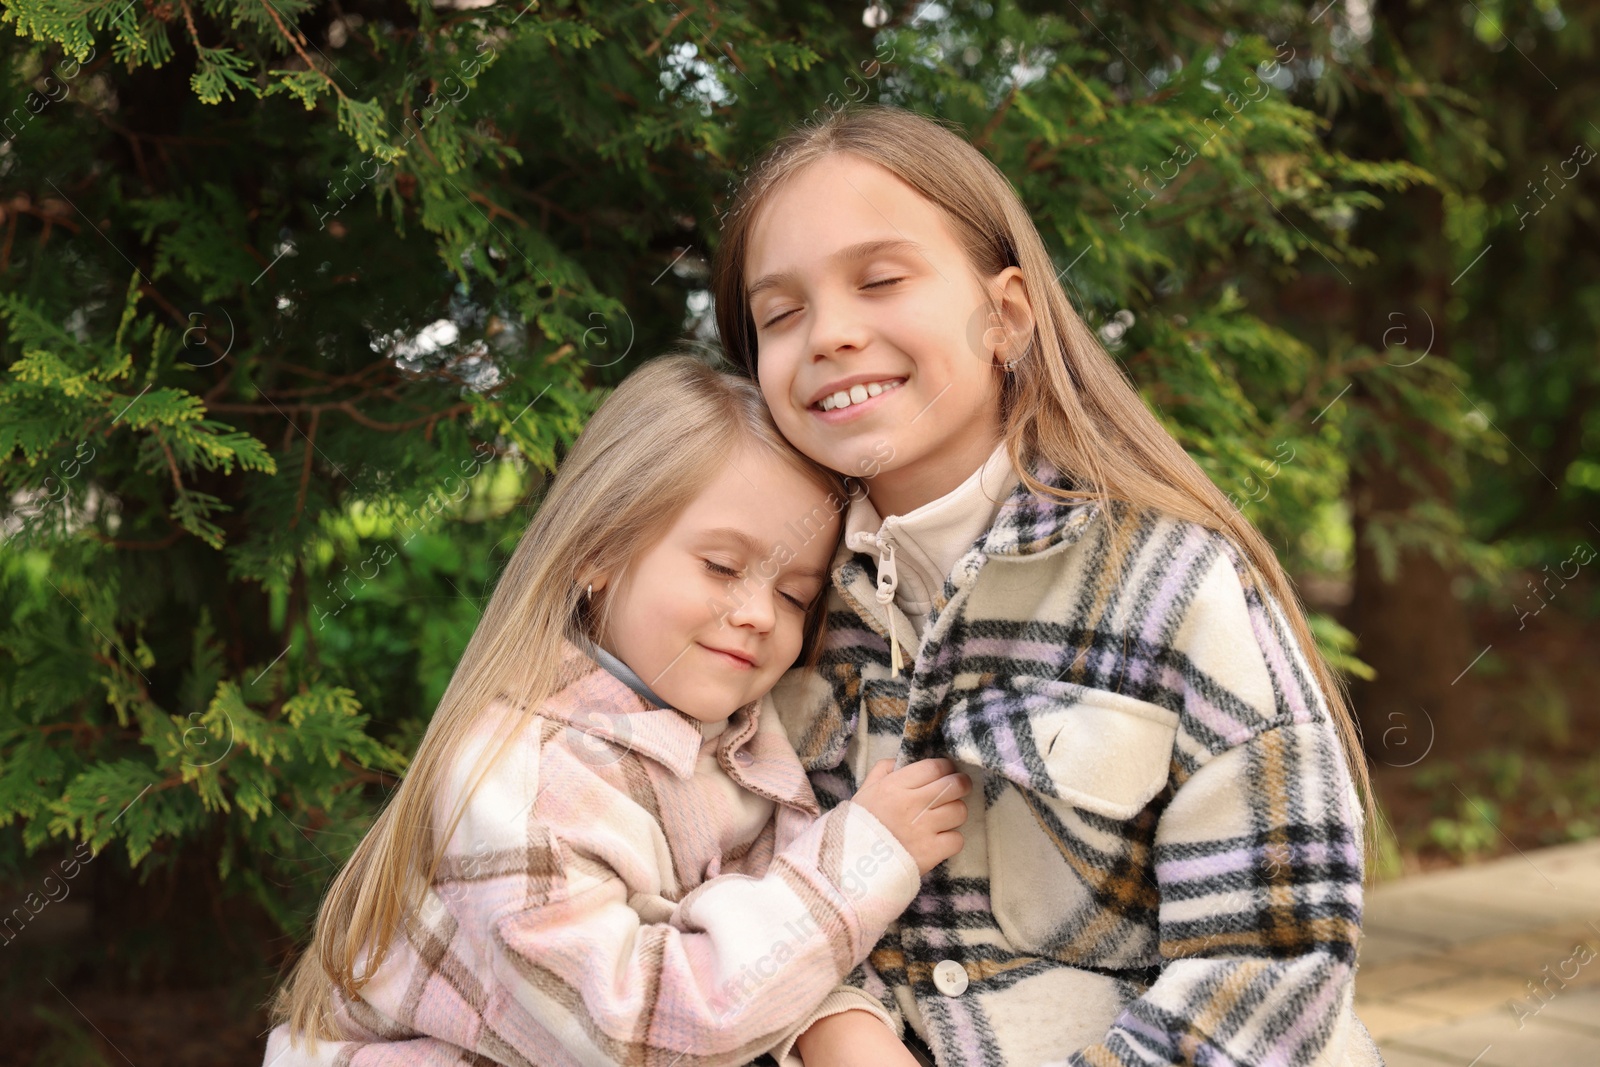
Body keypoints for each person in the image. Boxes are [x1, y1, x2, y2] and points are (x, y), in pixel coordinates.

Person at [710, 105, 1385, 1067]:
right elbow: (731, 879)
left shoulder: (1169, 580)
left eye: (881, 280)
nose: (831, 334)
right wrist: (838, 1026)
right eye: (781, 314)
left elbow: (1272, 949)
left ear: (1008, 317)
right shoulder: (774, 614)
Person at [261, 355, 972, 1066]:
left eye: (793, 594)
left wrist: (845, 1024)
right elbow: (628, 1032)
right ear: (599, 550)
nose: (757, 613)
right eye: (722, 567)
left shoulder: (744, 741)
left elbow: (769, 950)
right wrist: (861, 863)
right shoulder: (521, 778)